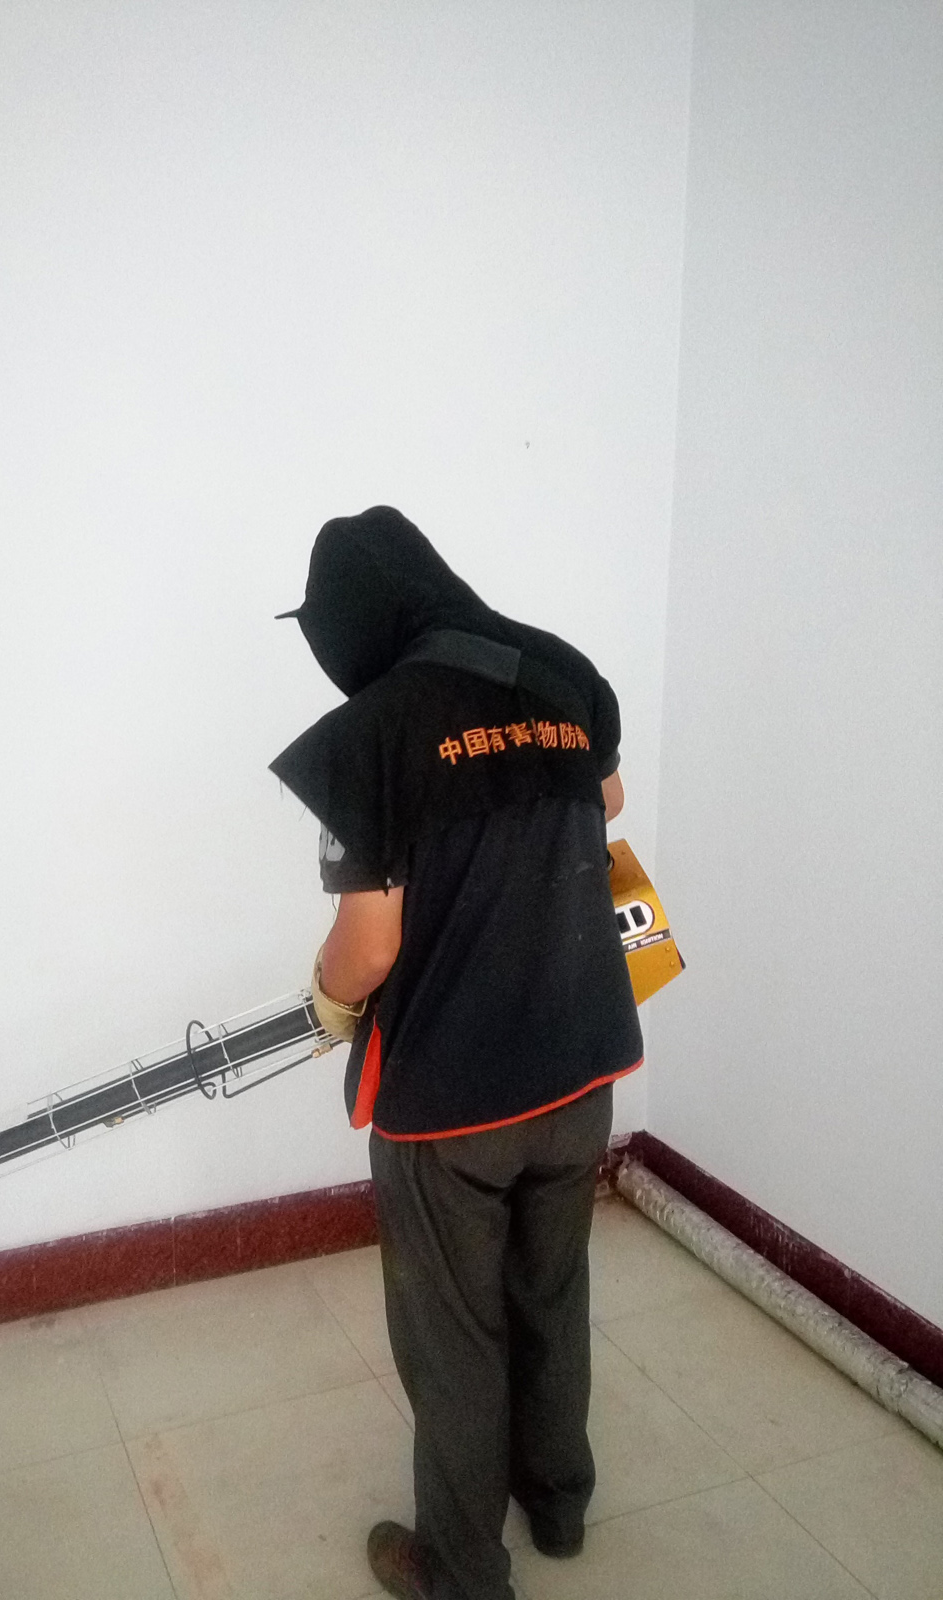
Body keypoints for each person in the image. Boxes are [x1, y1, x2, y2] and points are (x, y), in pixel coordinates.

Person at [270, 507, 642, 1600]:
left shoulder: (369, 738)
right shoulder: (561, 670)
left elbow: (369, 950)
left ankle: (462, 1569)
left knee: (454, 1333)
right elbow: (606, 797)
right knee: (550, 1292)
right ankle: (559, 1503)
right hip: (580, 1064)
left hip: (454, 1102)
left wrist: (329, 997)